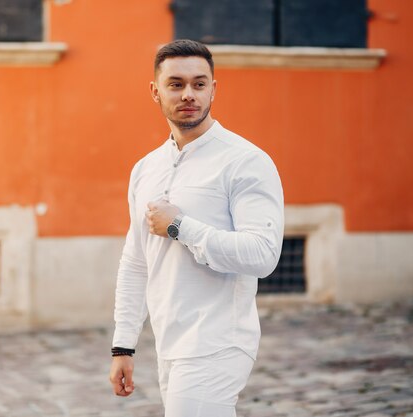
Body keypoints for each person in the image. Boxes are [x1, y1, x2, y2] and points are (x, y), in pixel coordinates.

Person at [108, 39, 284, 417]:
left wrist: (179, 227)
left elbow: (263, 255)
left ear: (213, 89)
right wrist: (123, 345)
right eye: (176, 84)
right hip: (169, 344)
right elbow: (136, 261)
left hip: (219, 341)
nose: (189, 94)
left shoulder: (246, 161)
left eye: (199, 84)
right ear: (155, 91)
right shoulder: (146, 169)